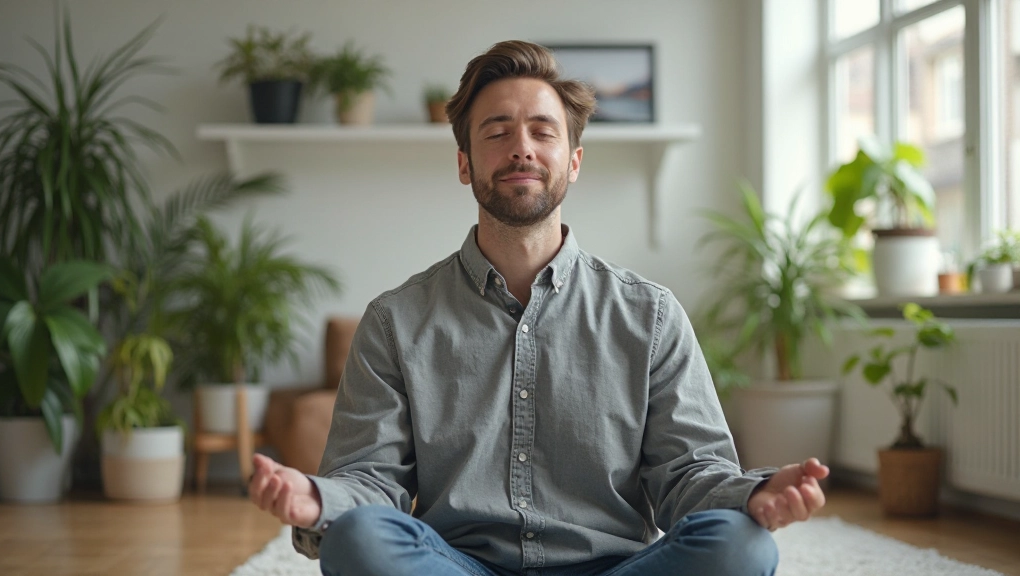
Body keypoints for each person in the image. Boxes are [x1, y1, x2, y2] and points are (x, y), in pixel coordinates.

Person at [248, 40, 829, 576]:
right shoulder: (393, 321)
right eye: (497, 132)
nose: (521, 146)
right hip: (458, 565)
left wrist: (751, 493)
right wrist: (319, 501)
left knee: (742, 544)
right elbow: (370, 480)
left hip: (614, 567)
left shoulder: (650, 316)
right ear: (465, 164)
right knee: (358, 540)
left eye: (542, 131)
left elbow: (690, 476)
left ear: (573, 161)